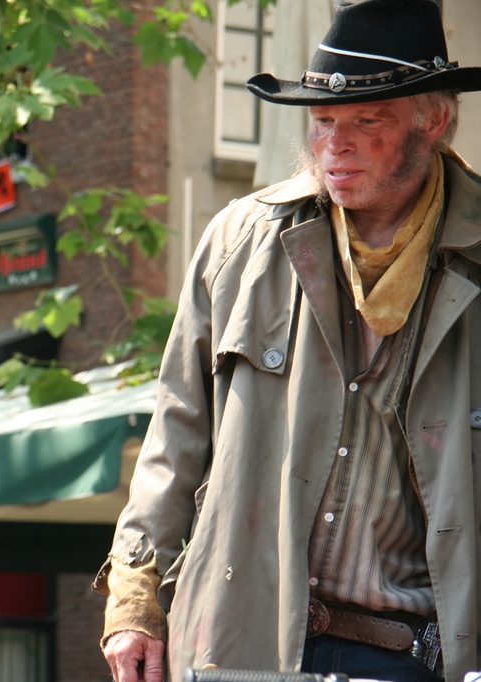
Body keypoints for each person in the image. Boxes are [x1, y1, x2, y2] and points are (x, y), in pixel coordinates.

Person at [93, 1, 481, 681]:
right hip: (240, 641)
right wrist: (134, 600)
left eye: (368, 122)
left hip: (416, 656)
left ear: (434, 122)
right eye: (324, 122)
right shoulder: (240, 239)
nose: (336, 145)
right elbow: (176, 434)